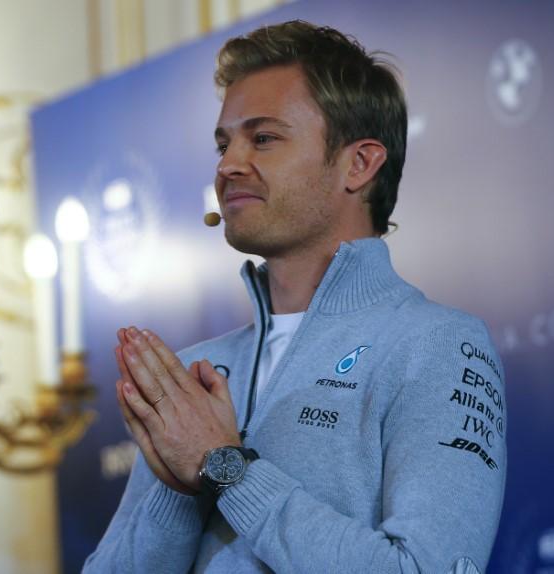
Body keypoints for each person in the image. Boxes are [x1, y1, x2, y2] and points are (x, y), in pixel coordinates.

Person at [83, 20, 506, 574]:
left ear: (358, 164)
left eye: (262, 138)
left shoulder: (439, 344)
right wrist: (181, 486)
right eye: (223, 142)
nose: (228, 164)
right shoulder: (193, 375)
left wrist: (226, 468)